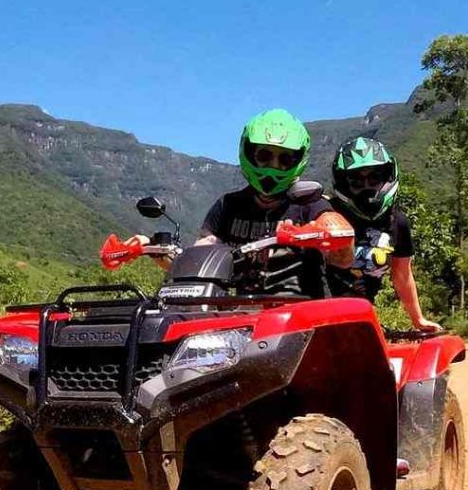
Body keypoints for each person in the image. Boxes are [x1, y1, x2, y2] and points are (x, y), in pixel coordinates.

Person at [126, 108, 353, 296]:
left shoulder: (308, 202)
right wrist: (154, 249)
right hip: (242, 316)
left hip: (303, 314)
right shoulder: (229, 205)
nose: (273, 166)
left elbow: (343, 256)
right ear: (249, 153)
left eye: (284, 159)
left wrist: (332, 229)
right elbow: (200, 265)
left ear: (297, 161)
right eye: (264, 156)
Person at [327, 136, 440, 332]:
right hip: (319, 312)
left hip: (361, 315)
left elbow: (402, 275)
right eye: (356, 179)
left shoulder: (397, 222)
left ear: (387, 176)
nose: (367, 186)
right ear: (344, 183)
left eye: (374, 177)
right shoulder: (327, 214)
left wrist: (418, 319)